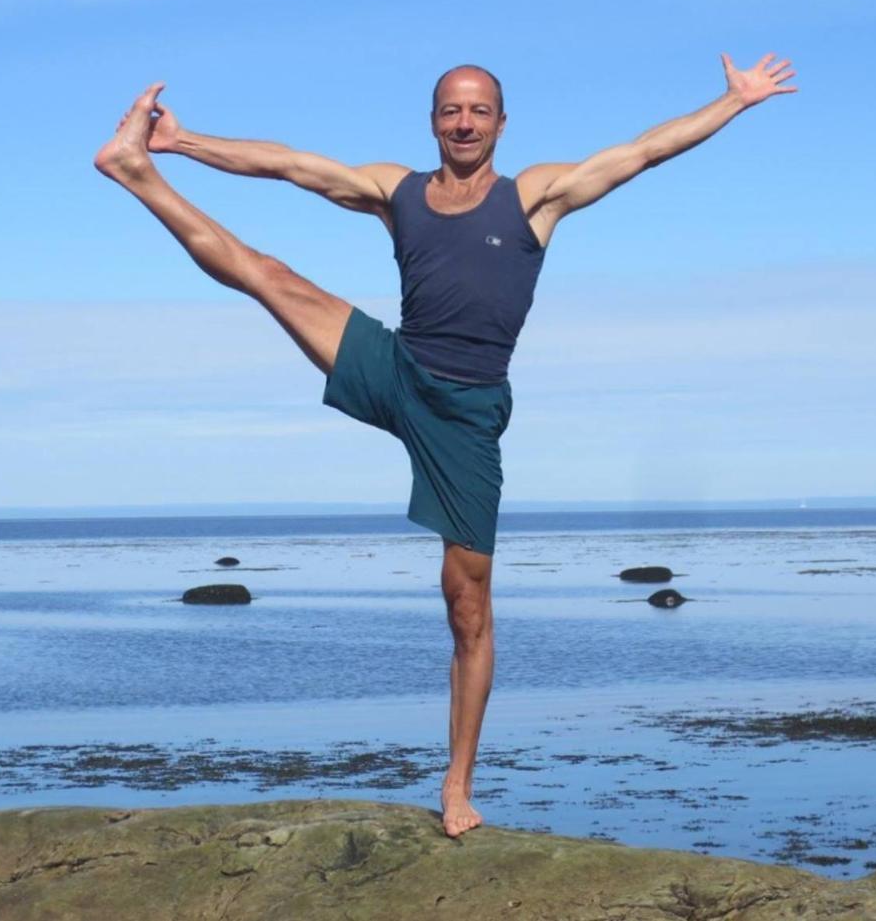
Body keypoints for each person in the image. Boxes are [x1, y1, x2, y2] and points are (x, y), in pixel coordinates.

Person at [93, 53, 797, 837]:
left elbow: (641, 151)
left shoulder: (533, 197)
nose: (463, 123)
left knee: (468, 608)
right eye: (450, 111)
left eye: (478, 111)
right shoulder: (398, 191)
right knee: (268, 273)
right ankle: (133, 171)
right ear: (434, 121)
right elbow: (292, 165)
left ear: (500, 121)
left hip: (466, 414)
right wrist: (182, 142)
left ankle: (456, 783)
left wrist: (732, 102)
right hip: (399, 368)